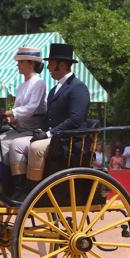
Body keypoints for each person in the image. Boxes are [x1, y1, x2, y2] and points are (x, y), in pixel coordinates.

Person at [26, 43, 90, 184]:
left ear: (61, 66)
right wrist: (39, 131)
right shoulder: (54, 89)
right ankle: (16, 186)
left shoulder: (78, 88)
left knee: (36, 148)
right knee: (18, 144)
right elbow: (49, 116)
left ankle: (32, 189)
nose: (48, 68)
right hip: (55, 138)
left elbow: (75, 120)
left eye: (50, 64)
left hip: (69, 141)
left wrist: (49, 134)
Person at [0, 47, 47, 194]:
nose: (18, 65)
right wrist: (10, 119)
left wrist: (9, 112)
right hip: (20, 129)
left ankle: (6, 185)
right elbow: (18, 112)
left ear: (31, 63)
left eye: (21, 62)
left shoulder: (39, 83)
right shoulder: (21, 86)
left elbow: (31, 108)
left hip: (33, 130)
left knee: (2, 144)